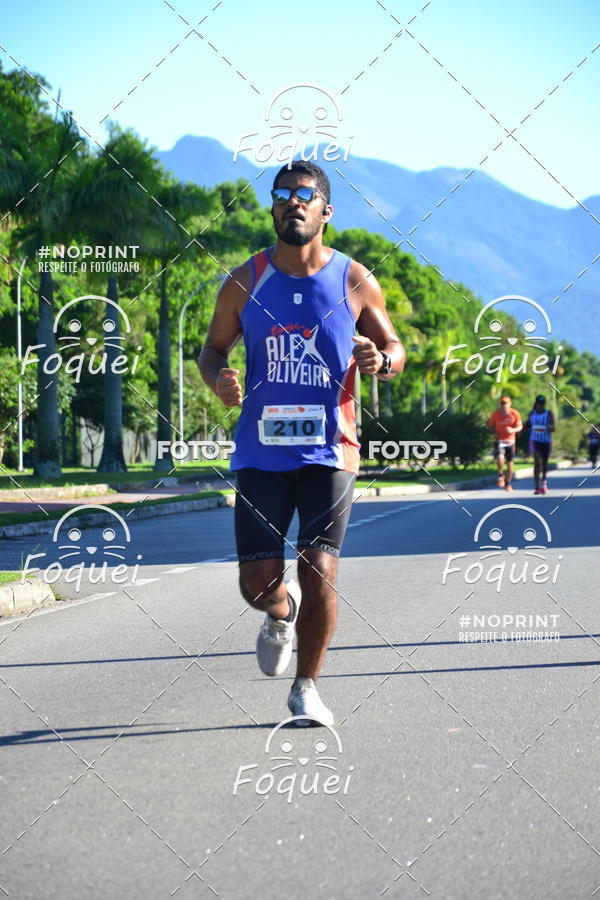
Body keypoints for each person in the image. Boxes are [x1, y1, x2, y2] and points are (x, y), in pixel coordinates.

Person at [199, 160, 405, 726]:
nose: (294, 202)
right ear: (273, 207)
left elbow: (394, 347)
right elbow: (212, 349)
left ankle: (306, 688)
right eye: (283, 194)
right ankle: (277, 611)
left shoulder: (355, 279)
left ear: (325, 211)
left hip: (330, 452)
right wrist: (217, 379)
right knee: (256, 582)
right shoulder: (246, 279)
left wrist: (380, 360)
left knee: (320, 567)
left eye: (306, 195)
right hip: (262, 452)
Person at [487, 396, 523, 492]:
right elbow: (490, 426)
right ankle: (500, 475)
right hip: (500, 440)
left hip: (511, 441)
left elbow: (520, 427)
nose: (504, 405)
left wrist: (512, 429)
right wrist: (494, 432)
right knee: (500, 457)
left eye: (505, 403)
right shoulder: (496, 414)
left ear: (510, 403)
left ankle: (508, 483)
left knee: (510, 463)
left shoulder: (514, 413)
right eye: (502, 403)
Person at [525, 395, 555, 494]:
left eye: (543, 404)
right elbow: (527, 425)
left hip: (546, 441)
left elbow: (553, 427)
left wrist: (550, 427)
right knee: (537, 462)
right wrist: (521, 430)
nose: (541, 406)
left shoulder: (549, 413)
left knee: (545, 463)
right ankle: (537, 486)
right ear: (536, 404)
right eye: (539, 404)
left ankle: (544, 482)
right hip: (534, 441)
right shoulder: (531, 414)